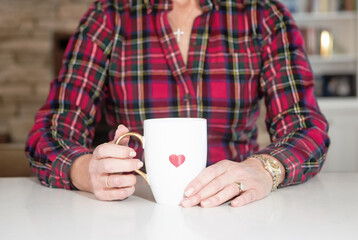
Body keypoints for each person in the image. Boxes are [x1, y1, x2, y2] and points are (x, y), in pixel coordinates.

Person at [26, 0, 330, 208]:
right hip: (134, 209)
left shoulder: (263, 15)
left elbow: (306, 128)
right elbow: (51, 130)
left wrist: (264, 169)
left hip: (237, 207)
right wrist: (84, 171)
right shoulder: (109, 15)